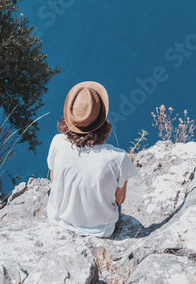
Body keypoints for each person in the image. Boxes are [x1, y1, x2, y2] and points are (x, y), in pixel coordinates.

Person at [47, 80, 138, 238]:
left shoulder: (57, 142)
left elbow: (53, 181)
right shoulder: (118, 157)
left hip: (58, 220)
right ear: (102, 119)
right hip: (100, 230)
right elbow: (120, 199)